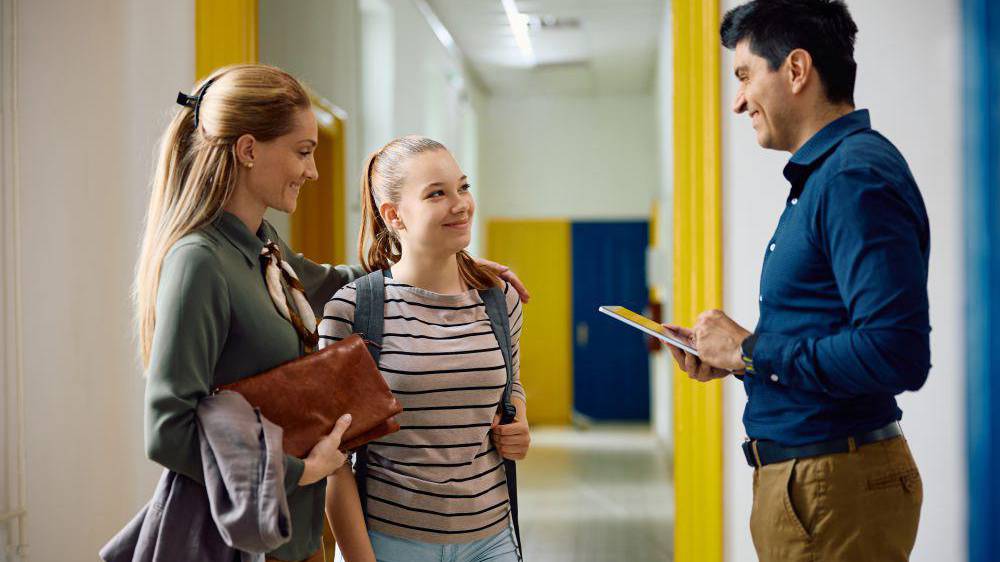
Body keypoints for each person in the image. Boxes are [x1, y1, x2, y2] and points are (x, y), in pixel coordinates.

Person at [137, 66, 527, 562]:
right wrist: (302, 470)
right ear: (249, 150)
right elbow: (168, 432)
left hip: (292, 538)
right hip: (238, 539)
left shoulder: (262, 246)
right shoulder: (200, 260)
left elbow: (342, 280)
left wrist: (451, 261)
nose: (313, 171)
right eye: (302, 151)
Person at [664, 2, 929, 561]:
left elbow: (896, 352)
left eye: (743, 76)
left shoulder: (853, 176)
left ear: (797, 69)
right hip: (817, 484)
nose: (737, 102)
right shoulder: (825, 177)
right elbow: (825, 333)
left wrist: (752, 350)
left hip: (833, 486)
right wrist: (741, 358)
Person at [319, 136, 529, 562]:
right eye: (437, 193)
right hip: (391, 541)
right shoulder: (353, 309)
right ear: (394, 215)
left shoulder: (499, 299)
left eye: (463, 187)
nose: (461, 204)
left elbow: (511, 386)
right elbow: (332, 459)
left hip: (492, 538)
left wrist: (519, 422)